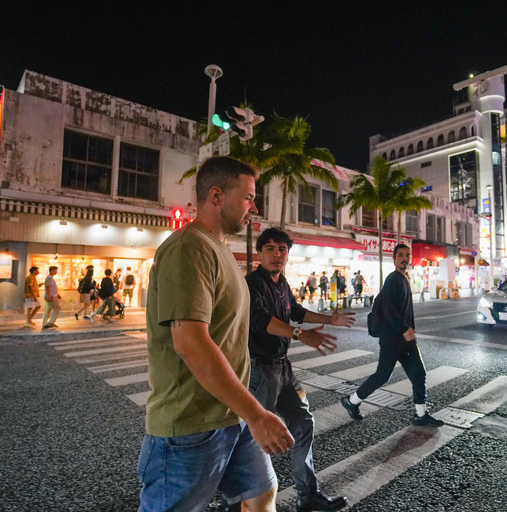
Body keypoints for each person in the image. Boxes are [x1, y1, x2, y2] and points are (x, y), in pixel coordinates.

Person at [137, 156, 293, 512]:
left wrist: (248, 413)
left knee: (262, 494)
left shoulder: (220, 249)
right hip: (191, 424)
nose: (255, 208)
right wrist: (257, 414)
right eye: (248, 197)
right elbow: (191, 342)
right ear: (217, 196)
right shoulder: (188, 248)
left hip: (232, 413)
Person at [246, 228, 353, 512]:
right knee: (254, 437)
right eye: (270, 249)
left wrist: (329, 319)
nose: (276, 254)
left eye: (282, 249)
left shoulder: (282, 284)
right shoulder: (252, 284)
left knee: (304, 423)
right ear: (259, 253)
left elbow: (296, 310)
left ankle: (307, 496)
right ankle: (237, 500)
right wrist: (300, 334)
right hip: (260, 370)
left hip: (284, 369)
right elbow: (260, 320)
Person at [341, 244, 444, 427]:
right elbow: (388, 309)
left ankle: (421, 415)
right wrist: (404, 329)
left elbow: (405, 310)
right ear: (394, 259)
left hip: (406, 340)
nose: (404, 258)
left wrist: (409, 331)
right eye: (401, 255)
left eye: (407, 255)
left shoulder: (404, 278)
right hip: (392, 339)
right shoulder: (393, 279)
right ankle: (352, 401)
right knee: (382, 376)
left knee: (419, 374)